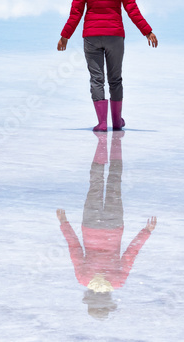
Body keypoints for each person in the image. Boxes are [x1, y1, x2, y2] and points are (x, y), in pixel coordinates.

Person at [57, 0, 157, 131]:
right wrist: (147, 31)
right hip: (115, 37)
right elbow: (131, 9)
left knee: (97, 79)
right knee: (115, 79)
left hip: (92, 37)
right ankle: (117, 122)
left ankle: (102, 123)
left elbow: (76, 13)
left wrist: (65, 36)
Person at [57, 131, 156, 319]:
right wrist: (64, 224)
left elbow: (130, 254)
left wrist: (146, 232)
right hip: (91, 224)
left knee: (114, 182)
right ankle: (102, 141)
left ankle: (116, 141)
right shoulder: (83, 279)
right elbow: (74, 248)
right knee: (95, 183)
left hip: (113, 224)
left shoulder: (117, 282)